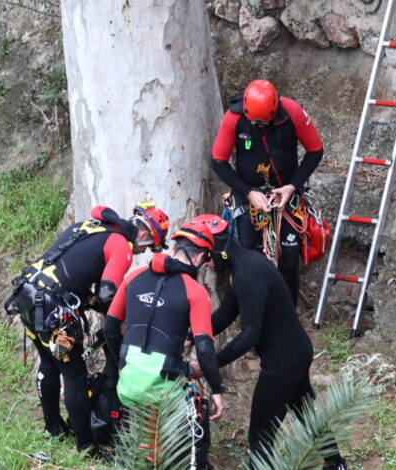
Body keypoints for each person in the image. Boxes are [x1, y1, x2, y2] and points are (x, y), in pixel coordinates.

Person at [6, 202, 170, 457]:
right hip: (53, 308)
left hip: (27, 293)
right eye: (147, 247)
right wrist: (119, 321)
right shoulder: (121, 246)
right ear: (145, 235)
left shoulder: (89, 226)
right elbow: (106, 294)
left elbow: (77, 269)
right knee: (74, 375)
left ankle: (53, 428)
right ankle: (85, 446)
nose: (141, 252)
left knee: (49, 363)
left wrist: (88, 300)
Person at [188, 215, 346, 470]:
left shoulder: (248, 276)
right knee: (306, 414)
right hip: (296, 352)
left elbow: (249, 334)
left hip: (282, 362)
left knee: (260, 435)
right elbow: (225, 315)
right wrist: (191, 335)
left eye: (204, 256)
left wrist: (211, 364)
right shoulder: (246, 266)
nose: (204, 264)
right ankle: (336, 464)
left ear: (217, 251)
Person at [103, 216, 226, 469]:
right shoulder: (195, 291)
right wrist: (216, 390)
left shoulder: (134, 277)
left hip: (128, 384)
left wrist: (123, 363)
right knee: (195, 418)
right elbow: (204, 348)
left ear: (174, 247)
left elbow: (110, 326)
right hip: (162, 388)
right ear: (200, 256)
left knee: (145, 426)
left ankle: (144, 457)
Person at [211, 79, 324, 308]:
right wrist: (248, 192)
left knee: (289, 261)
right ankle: (254, 317)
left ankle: (287, 316)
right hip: (249, 198)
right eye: (256, 123)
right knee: (250, 259)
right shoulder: (234, 118)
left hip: (286, 197)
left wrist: (292, 187)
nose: (261, 127)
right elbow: (218, 160)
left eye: (265, 122)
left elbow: (315, 150)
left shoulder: (291, 112)